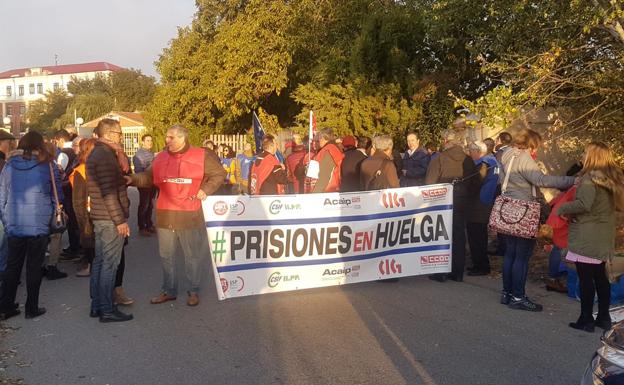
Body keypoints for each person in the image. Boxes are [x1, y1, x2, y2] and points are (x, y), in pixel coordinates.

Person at [130, 125, 225, 307]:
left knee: (192, 256)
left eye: (171, 137)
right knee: (166, 255)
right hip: (166, 213)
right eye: (167, 137)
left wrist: (206, 189)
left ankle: (193, 291)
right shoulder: (160, 157)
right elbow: (148, 177)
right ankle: (169, 290)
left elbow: (219, 173)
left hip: (190, 214)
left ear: (183, 138)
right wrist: (131, 179)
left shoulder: (201, 155)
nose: (167, 140)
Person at [499, 129, 575, 311]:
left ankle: (507, 293)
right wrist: (571, 181)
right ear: (532, 144)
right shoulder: (523, 158)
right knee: (522, 256)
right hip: (523, 210)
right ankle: (518, 296)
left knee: (510, 253)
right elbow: (541, 180)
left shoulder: (506, 155)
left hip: (508, 208)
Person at [558, 142, 624, 332]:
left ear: (593, 156)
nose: (583, 155)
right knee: (600, 278)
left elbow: (584, 204)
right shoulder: (611, 179)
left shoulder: (589, 178)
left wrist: (563, 208)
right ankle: (603, 317)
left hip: (587, 235)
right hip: (603, 234)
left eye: (586, 152)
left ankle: (585, 319)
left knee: (586, 278)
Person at [0, 131, 62, 320]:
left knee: (13, 266)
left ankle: (6, 306)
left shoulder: (9, 165)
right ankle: (31, 308)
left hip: (14, 222)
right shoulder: (48, 165)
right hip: (39, 224)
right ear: (40, 145)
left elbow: (2, 195)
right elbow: (55, 194)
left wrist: (6, 219)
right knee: (34, 267)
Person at [86, 118, 133, 323]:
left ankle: (97, 305)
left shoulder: (99, 153)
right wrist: (120, 220)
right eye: (120, 133)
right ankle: (106, 309)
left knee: (100, 262)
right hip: (108, 218)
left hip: (101, 217)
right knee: (109, 265)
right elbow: (108, 193)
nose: (121, 137)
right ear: (109, 134)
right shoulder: (104, 155)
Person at [425, 129, 480, 282]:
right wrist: (467, 195)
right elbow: (476, 182)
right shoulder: (468, 159)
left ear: (445, 141)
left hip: (442, 202)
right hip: (462, 201)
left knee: (441, 235)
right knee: (459, 234)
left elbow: (429, 183)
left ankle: (440, 271)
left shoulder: (439, 158)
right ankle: (457, 272)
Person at [466, 141, 499, 276]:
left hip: (478, 204)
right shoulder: (493, 160)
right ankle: (479, 264)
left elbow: (476, 182)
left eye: (471, 151)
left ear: (477, 152)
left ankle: (480, 266)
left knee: (476, 236)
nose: (469, 154)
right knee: (479, 235)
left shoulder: (483, 164)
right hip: (485, 201)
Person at [70, 139, 97, 278]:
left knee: (92, 239)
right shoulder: (82, 170)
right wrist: (82, 219)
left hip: (95, 210)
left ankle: (93, 266)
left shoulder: (89, 168)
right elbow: (79, 199)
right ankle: (92, 265)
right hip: (89, 211)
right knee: (90, 238)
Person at [0, 131, 16, 299]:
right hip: (2, 216)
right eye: (8, 143)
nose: (11, 147)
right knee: (3, 257)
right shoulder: (3, 164)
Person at [133, 134, 156, 237]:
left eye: (151, 140)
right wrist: (151, 167)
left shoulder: (151, 153)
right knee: (144, 205)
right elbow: (139, 171)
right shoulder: (139, 155)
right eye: (147, 140)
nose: (150, 142)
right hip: (144, 183)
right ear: (142, 142)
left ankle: (149, 224)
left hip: (152, 183)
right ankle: (142, 227)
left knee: (150, 205)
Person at [312, 129, 344, 193]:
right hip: (331, 189)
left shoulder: (329, 150)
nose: (319, 141)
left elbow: (324, 176)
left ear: (324, 138)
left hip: (328, 190)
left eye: (319, 139)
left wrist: (315, 194)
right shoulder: (333, 148)